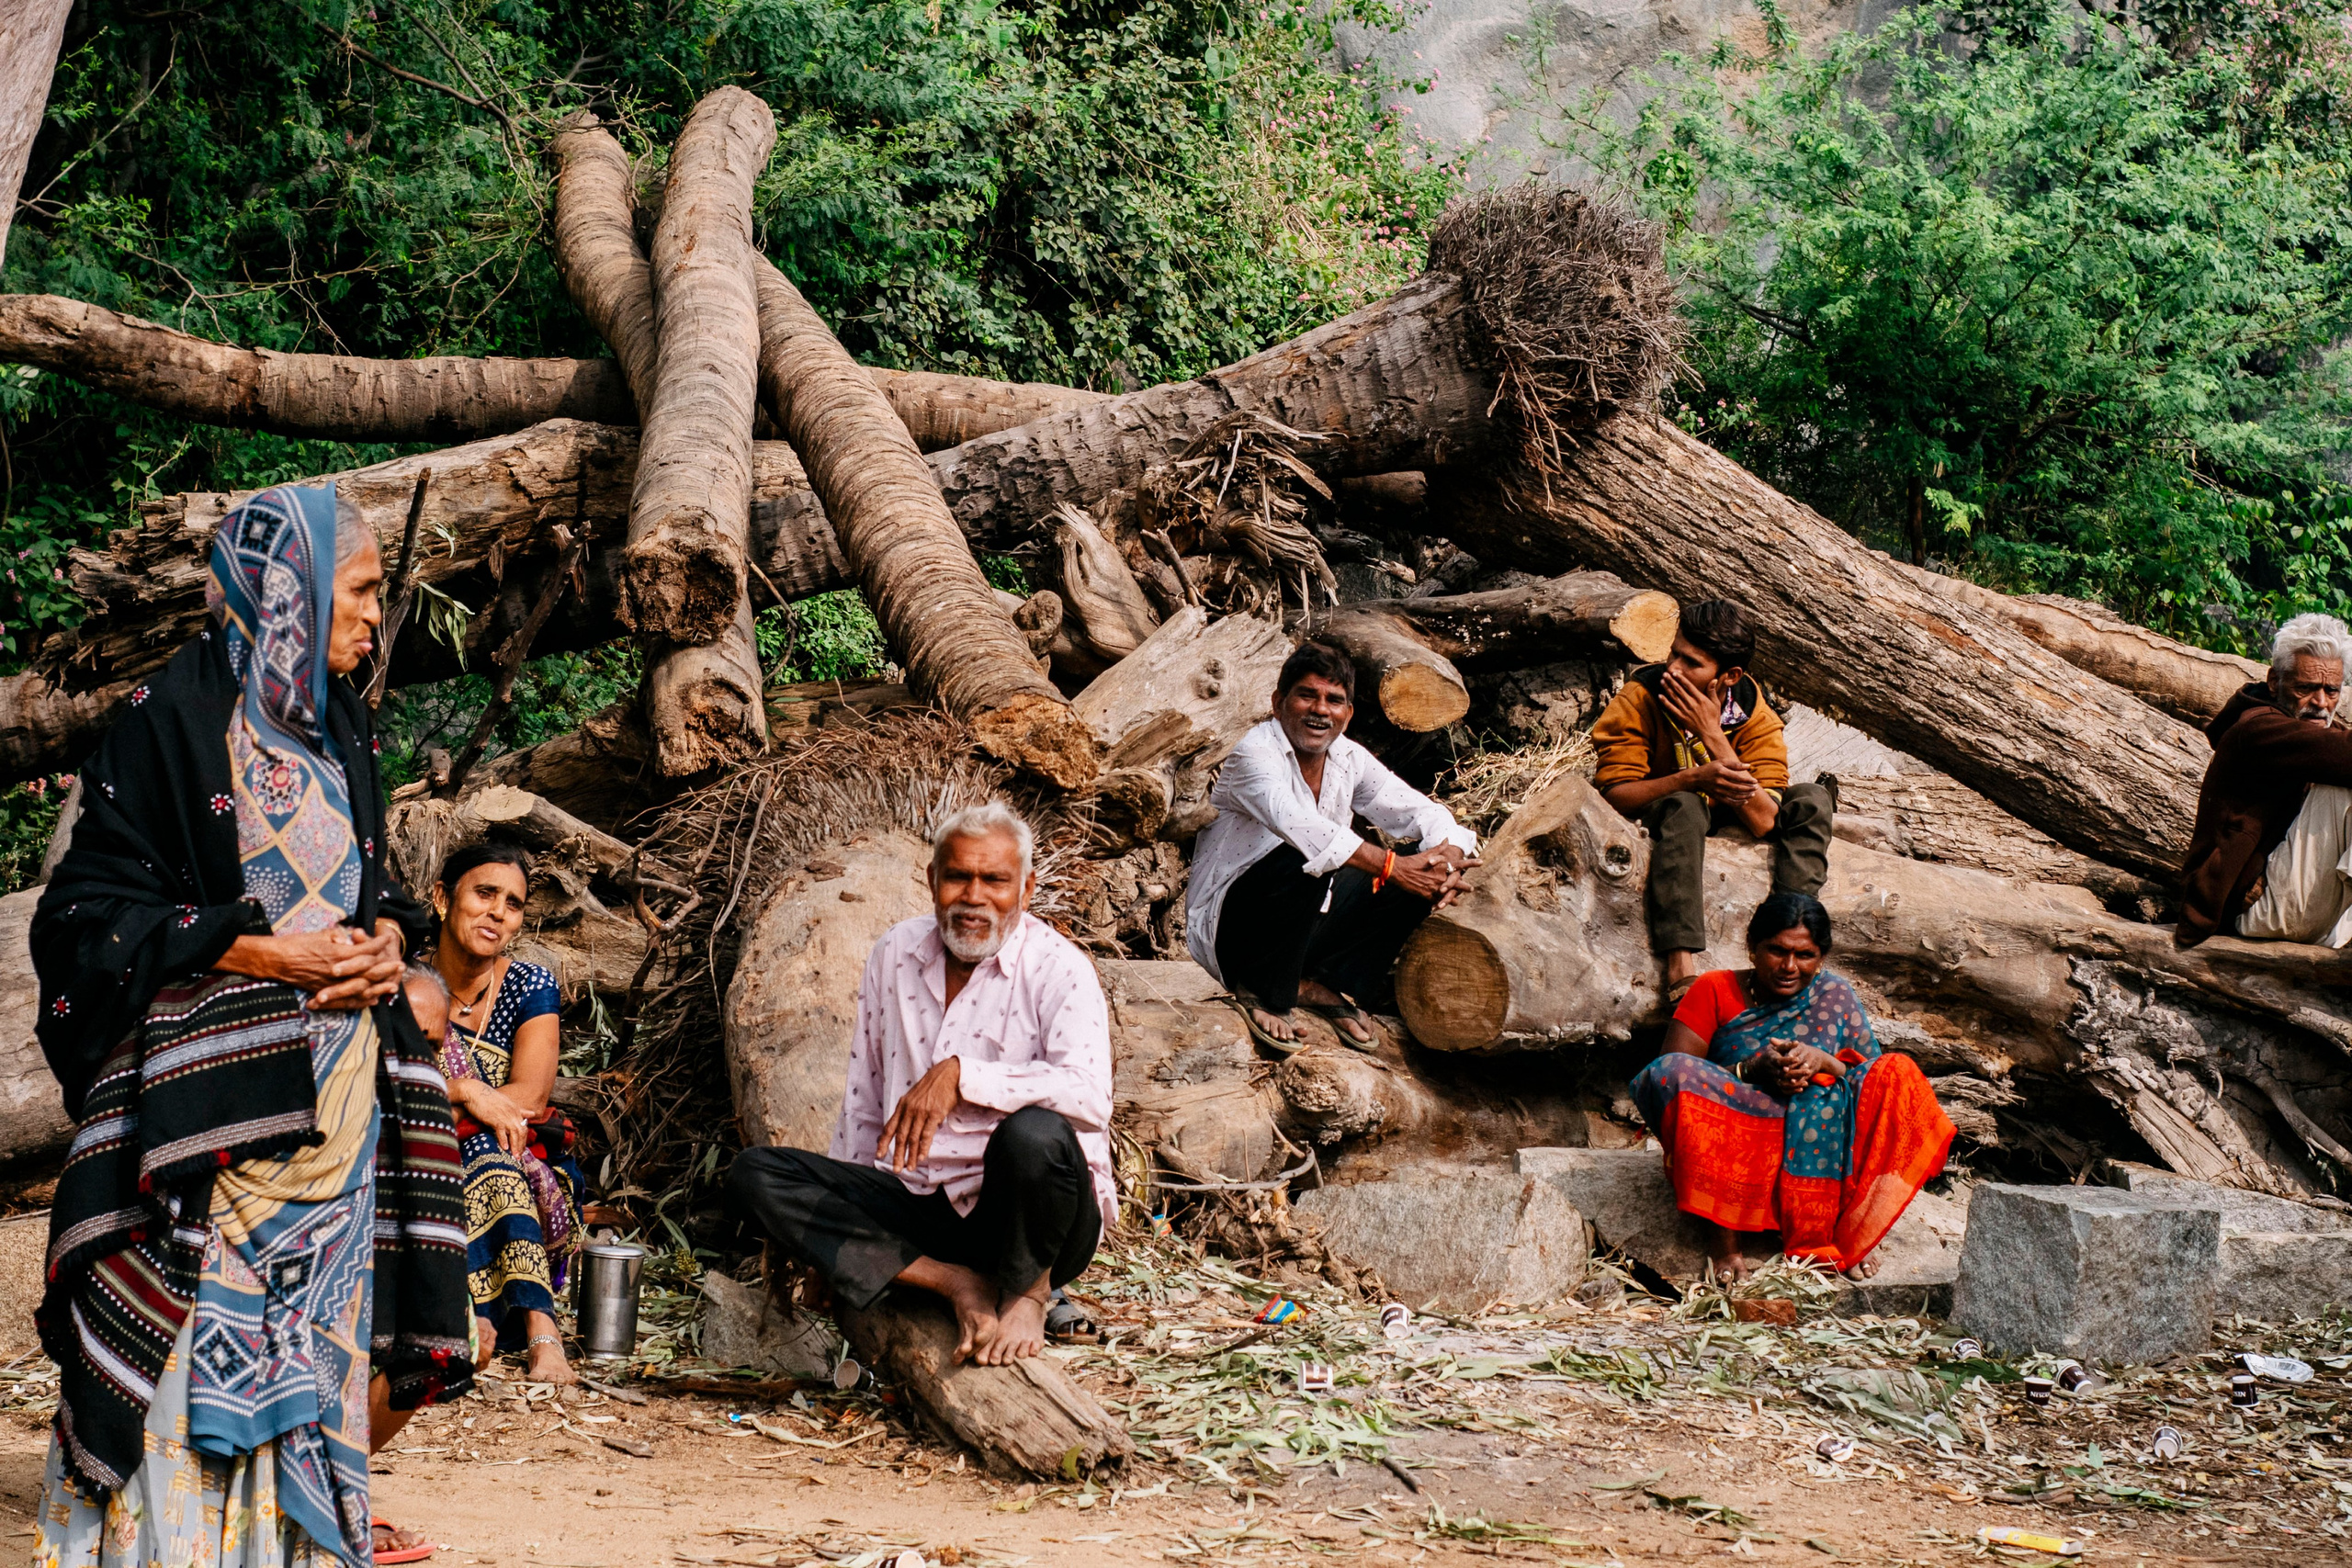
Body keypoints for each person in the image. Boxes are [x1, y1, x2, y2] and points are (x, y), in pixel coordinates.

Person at [29, 484, 474, 1568]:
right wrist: (266, 952)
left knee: (312, 1358)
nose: (377, 619)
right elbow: (85, 916)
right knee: (188, 1359)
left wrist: (383, 945)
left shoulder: (344, 727)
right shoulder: (168, 724)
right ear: (292, 589)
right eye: (363, 593)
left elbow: (371, 893)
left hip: (339, 1123)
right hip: (213, 1129)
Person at [727, 802, 1113, 1365]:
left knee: (1036, 1135)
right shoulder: (895, 954)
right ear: (932, 880)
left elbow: (1089, 1096)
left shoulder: (1060, 969)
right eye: (958, 876)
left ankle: (1031, 1290)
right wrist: (830, 1250)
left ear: (1026, 889)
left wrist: (963, 1076)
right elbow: (864, 1094)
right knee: (754, 1175)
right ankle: (952, 1282)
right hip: (921, 1204)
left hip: (1033, 1220)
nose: (973, 896)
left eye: (995, 880)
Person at [1628, 892, 1955, 1281]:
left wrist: (1822, 1061)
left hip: (1822, 1133)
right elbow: (1666, 1075)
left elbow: (1865, 1079)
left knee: (1897, 1072)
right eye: (1776, 951)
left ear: (1822, 958)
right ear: (1751, 948)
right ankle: (1725, 1244)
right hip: (1741, 1127)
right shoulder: (1714, 989)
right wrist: (1752, 1069)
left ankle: (1854, 1233)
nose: (1789, 966)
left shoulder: (1835, 995)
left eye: (1805, 955)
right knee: (1674, 1073)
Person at [1185, 641, 1477, 1049]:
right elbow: (1300, 826)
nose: (1321, 710)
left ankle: (1315, 983)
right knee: (1309, 854)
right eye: (1307, 695)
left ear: (1348, 714)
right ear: (1278, 702)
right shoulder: (1253, 752)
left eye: (1334, 701)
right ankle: (1262, 988)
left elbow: (1420, 812)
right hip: (1236, 931)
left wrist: (1448, 856)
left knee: (1421, 866)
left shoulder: (1347, 757)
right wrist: (1392, 867)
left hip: (1305, 926)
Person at [1591, 599, 1835, 1004]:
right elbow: (1616, 795)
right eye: (1674, 653)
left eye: (1692, 663)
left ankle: (1783, 935)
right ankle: (1680, 964)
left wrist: (1713, 736)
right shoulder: (1641, 698)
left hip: (1734, 814)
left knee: (1812, 799)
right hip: (1670, 815)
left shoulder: (1751, 709)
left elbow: (1763, 821)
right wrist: (1691, 778)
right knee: (1685, 804)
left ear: (1729, 675)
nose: (1673, 669)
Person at [425, 842, 581, 1385]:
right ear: (443, 898)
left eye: (512, 904)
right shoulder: (407, 986)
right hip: (420, 1146)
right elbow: (384, 1085)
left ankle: (536, 1331)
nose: (497, 912)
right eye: (485, 893)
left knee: (494, 1152)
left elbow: (531, 1097)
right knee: (478, 1149)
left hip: (515, 1153)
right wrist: (464, 1089)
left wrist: (468, 1103)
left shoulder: (529, 986)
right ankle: (502, 1329)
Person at [2179, 613, 2352, 947]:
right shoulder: (2257, 730)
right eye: (2306, 688)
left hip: (2289, 901)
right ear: (2275, 682)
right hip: (2250, 910)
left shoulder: (2313, 736)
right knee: (2343, 788)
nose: (2320, 702)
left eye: (2331, 690)